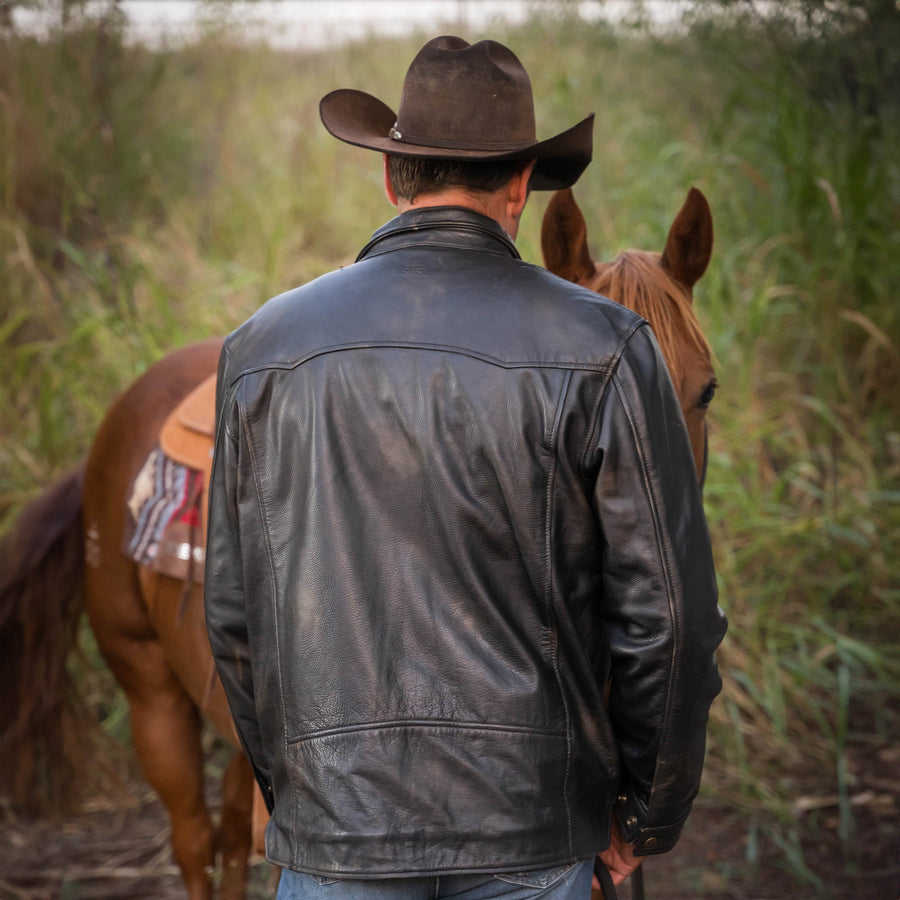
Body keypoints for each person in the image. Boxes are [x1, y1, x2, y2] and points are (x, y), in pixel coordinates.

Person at [205, 35, 726, 900]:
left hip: (334, 841)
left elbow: (235, 620)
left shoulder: (260, 350)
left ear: (390, 178)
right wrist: (643, 817)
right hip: (533, 842)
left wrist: (306, 804)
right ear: (523, 184)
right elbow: (669, 623)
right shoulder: (606, 346)